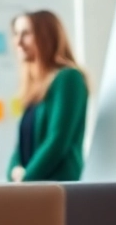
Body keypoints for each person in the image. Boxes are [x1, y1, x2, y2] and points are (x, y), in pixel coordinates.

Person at [7, 10, 88, 183]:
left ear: (46, 37)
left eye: (26, 34)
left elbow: (58, 140)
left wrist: (27, 177)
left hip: (59, 187)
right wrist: (13, 172)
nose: (18, 42)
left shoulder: (68, 78)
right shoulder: (34, 87)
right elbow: (21, 145)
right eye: (16, 34)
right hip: (34, 187)